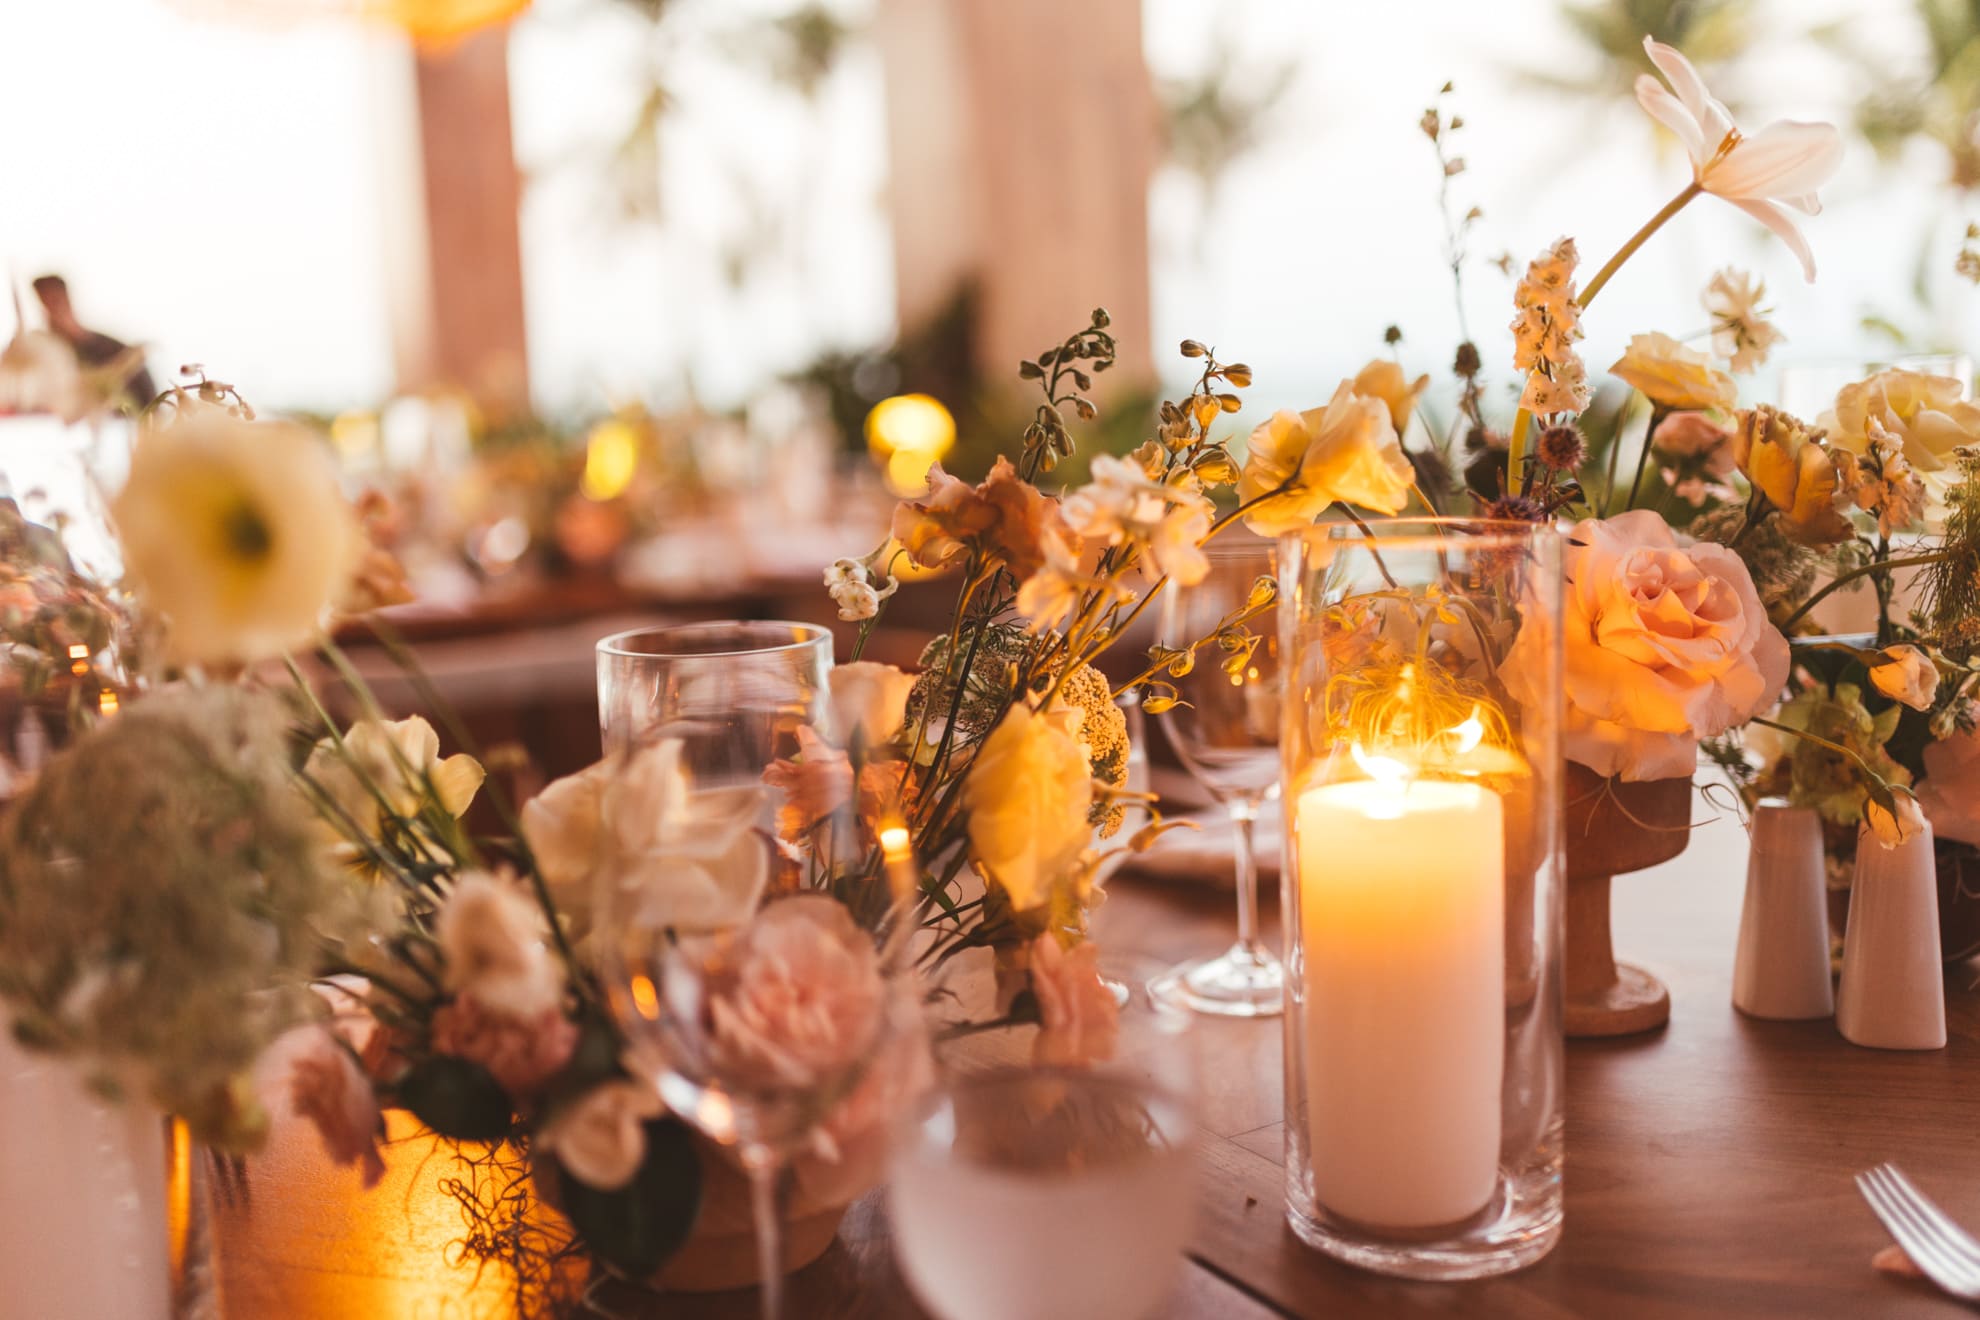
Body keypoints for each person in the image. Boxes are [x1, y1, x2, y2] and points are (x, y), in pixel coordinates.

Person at [31, 275, 156, 413]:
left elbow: (148, 398)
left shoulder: (112, 349)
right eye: (45, 305)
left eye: (55, 303)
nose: (52, 314)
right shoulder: (42, 357)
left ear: (67, 301)